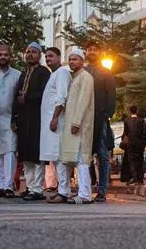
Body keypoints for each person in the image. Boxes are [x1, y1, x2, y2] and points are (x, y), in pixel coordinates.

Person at [12, 42, 51, 201]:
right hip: (24, 119)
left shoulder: (43, 72)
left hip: (37, 119)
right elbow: (17, 95)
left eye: (34, 52)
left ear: (39, 55)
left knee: (37, 155)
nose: (30, 54)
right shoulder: (24, 73)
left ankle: (37, 189)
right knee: (26, 155)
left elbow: (44, 94)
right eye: (28, 52)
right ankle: (30, 186)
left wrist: (27, 98)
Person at [61, 48, 95, 205]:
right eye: (70, 59)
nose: (72, 62)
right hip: (74, 125)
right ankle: (82, 192)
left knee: (82, 160)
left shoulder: (86, 77)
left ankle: (85, 194)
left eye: (75, 59)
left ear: (82, 61)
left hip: (81, 125)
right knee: (77, 159)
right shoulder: (76, 78)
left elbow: (83, 101)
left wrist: (76, 122)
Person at [39, 47, 72, 204]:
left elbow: (61, 97)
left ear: (59, 57)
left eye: (51, 56)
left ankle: (64, 192)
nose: (48, 59)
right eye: (46, 56)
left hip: (57, 122)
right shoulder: (54, 74)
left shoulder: (63, 73)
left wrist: (54, 118)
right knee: (55, 157)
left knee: (59, 157)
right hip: (51, 122)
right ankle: (61, 189)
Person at [0, 44, 20, 198]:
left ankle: (8, 186)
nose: (3, 57)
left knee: (10, 153)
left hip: (10, 120)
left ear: (10, 57)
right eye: (0, 54)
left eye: (5, 55)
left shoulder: (17, 75)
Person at [85, 44, 115, 202]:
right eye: (89, 49)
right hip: (84, 119)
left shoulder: (105, 72)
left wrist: (108, 114)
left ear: (99, 53)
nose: (92, 52)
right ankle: (87, 187)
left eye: (95, 49)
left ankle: (102, 189)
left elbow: (111, 94)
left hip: (101, 117)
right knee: (85, 154)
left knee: (102, 155)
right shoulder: (81, 72)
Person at [121, 105, 146, 192]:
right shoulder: (141, 120)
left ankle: (135, 179)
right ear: (137, 111)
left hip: (130, 145)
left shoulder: (126, 121)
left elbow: (125, 133)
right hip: (139, 145)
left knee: (131, 162)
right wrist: (142, 141)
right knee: (140, 161)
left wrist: (125, 141)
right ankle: (140, 180)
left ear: (130, 111)